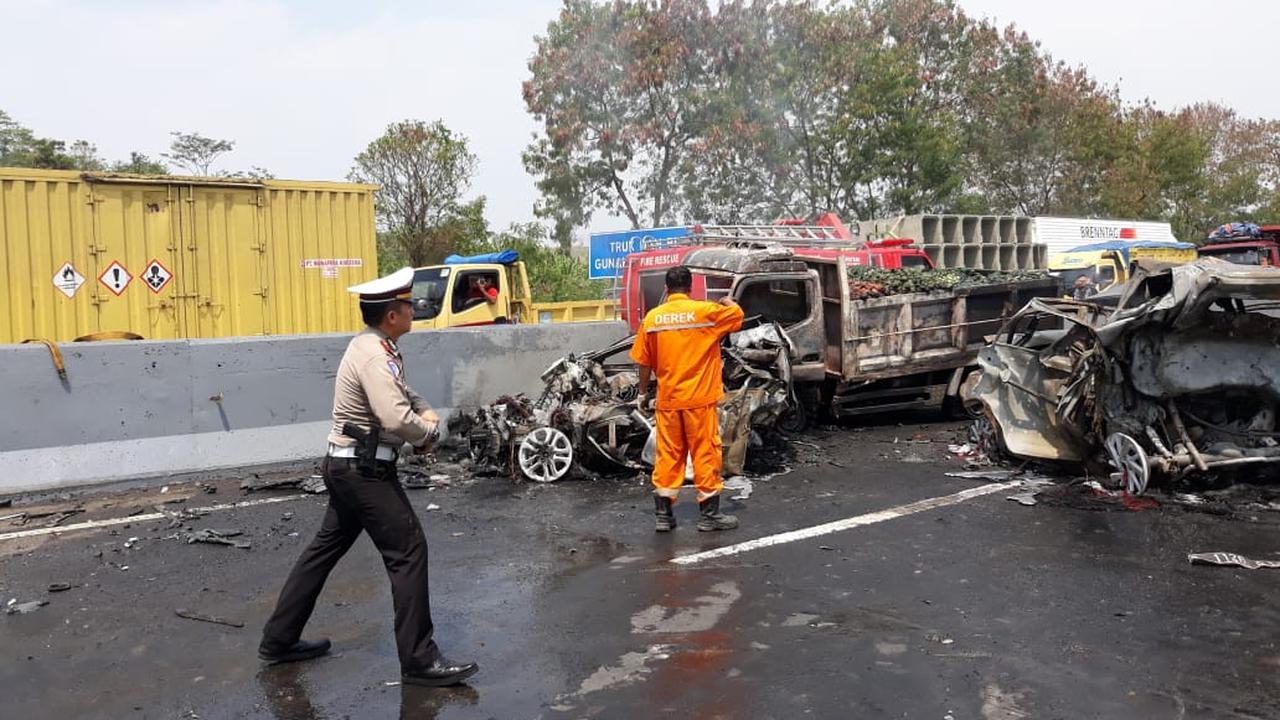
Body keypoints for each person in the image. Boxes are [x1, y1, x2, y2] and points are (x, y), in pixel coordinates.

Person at [258, 266, 478, 688]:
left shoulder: (374, 346)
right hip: (364, 471)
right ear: (392, 315)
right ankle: (419, 660)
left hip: (348, 466)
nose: (414, 308)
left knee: (322, 552)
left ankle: (279, 639)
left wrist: (423, 410)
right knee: (409, 551)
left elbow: (404, 395)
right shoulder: (376, 353)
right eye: (408, 304)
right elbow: (395, 415)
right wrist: (428, 431)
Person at [630, 266, 744, 533]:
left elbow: (643, 362)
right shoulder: (705, 313)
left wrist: (643, 394)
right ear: (690, 288)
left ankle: (664, 515)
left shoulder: (653, 319)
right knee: (705, 453)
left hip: (668, 400)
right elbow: (737, 316)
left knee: (668, 455)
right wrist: (727, 300)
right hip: (699, 401)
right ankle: (709, 515)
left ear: (666, 289)